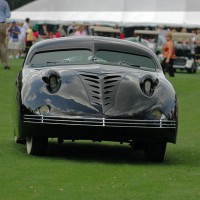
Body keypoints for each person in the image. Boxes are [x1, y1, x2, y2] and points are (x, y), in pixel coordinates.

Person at [0, 0, 11, 69]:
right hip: (2, 24)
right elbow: (8, 15)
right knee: (2, 44)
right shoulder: (4, 2)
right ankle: (5, 64)